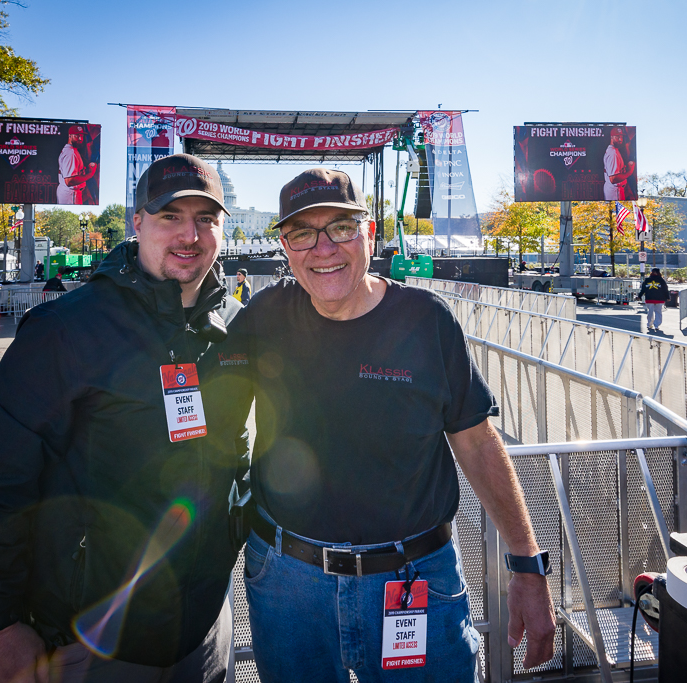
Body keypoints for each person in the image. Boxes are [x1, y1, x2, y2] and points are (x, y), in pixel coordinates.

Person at [237, 168, 556, 682]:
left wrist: (527, 564)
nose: (322, 249)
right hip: (288, 583)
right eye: (302, 233)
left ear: (370, 233)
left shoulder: (426, 320)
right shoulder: (264, 315)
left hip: (415, 581)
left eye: (340, 227)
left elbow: (476, 442)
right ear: (285, 246)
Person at [0, 154, 251, 682]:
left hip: (202, 633)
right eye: (170, 216)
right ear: (137, 223)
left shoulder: (235, 331)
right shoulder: (66, 329)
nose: (190, 234)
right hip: (89, 642)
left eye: (206, 218)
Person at [57, 125, 98, 205]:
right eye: (77, 136)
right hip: (70, 194)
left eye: (82, 136)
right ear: (70, 136)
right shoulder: (70, 153)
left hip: (68, 193)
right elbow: (69, 181)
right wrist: (90, 175)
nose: (80, 139)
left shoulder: (71, 150)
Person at [603, 127, 635, 201]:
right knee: (616, 212)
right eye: (617, 137)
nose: (620, 139)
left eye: (621, 136)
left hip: (613, 190)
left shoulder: (614, 150)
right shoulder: (613, 153)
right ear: (611, 137)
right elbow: (613, 179)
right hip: (615, 191)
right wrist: (630, 172)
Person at [638, 268, 669, 333]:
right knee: (658, 312)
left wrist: (639, 296)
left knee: (650, 312)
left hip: (649, 298)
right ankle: (657, 325)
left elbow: (643, 289)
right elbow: (665, 290)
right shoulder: (661, 280)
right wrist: (667, 297)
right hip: (659, 298)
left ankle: (649, 324)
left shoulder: (647, 280)